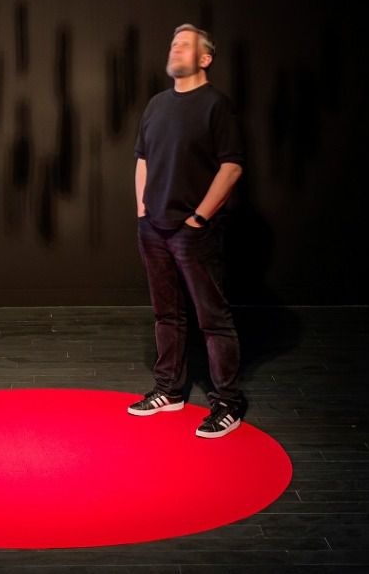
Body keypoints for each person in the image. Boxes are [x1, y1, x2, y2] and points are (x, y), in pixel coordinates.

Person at [127, 23, 247, 438]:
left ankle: (228, 402)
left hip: (193, 231)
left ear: (204, 58)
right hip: (153, 228)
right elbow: (142, 158)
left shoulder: (217, 105)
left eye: (184, 45)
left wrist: (200, 218)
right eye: (173, 43)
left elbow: (231, 166)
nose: (175, 49)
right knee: (167, 315)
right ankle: (169, 390)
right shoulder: (157, 104)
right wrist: (142, 209)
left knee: (212, 318)